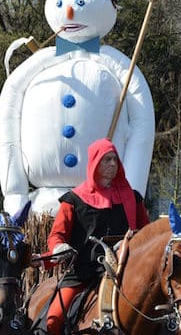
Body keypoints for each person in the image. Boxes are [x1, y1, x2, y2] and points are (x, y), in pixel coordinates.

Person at [43, 138, 149, 335]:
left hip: (124, 272)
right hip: (83, 272)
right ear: (94, 163)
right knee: (54, 319)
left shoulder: (134, 198)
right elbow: (57, 235)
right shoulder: (73, 200)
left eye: (115, 159)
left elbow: (147, 235)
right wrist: (59, 247)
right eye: (106, 159)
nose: (112, 164)